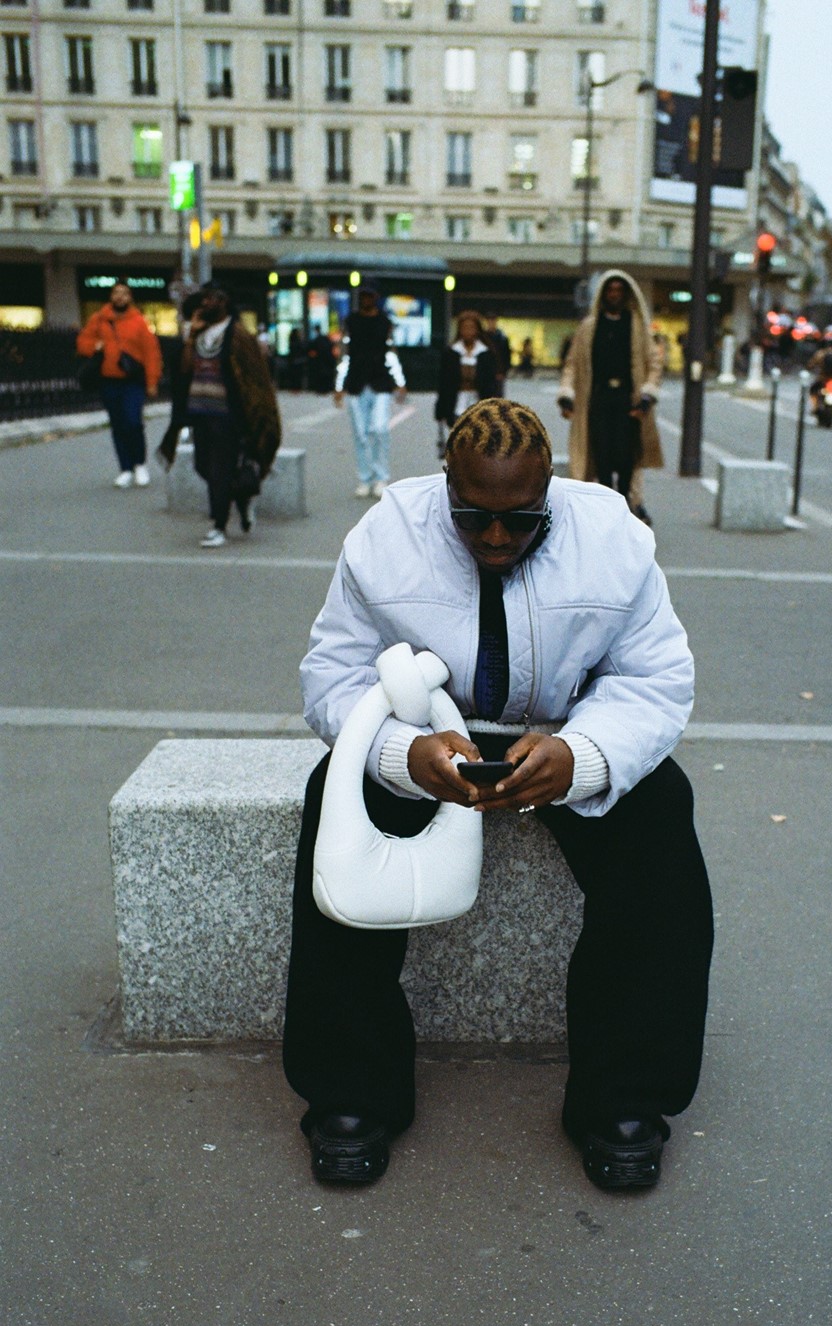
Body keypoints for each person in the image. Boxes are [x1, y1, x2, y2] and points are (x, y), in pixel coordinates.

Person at [283, 397, 714, 1193]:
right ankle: (351, 1093)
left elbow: (656, 681)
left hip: (566, 732)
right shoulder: (385, 537)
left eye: (520, 522)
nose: (493, 538)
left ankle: (624, 1100)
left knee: (660, 826)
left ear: (551, 487)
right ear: (445, 482)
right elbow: (331, 675)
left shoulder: (614, 540)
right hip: (426, 734)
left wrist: (582, 756)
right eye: (472, 516)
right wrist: (398, 755)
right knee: (331, 805)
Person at [157, 281, 281, 548]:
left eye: (209, 299)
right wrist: (191, 336)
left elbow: (254, 381)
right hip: (199, 413)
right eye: (202, 299)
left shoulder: (238, 336)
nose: (203, 304)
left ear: (223, 301)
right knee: (203, 465)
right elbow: (185, 369)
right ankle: (242, 498)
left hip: (228, 417)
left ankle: (218, 526)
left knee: (219, 469)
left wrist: (256, 419)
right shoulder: (199, 334)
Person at [557, 271, 663, 526]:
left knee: (627, 457)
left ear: (626, 294)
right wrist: (567, 394)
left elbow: (654, 363)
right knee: (601, 454)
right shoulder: (589, 327)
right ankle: (604, 504)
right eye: (610, 290)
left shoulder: (637, 326)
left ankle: (628, 504)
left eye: (619, 290)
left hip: (629, 400)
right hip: (598, 399)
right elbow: (572, 364)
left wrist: (647, 394)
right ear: (604, 294)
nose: (614, 294)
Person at [76, 281, 162, 488]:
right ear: (111, 296)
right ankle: (125, 469)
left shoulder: (139, 322)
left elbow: (152, 354)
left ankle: (139, 464)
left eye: (124, 294)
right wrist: (95, 346)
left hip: (132, 381)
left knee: (133, 422)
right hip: (109, 380)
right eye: (117, 293)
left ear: (130, 298)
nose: (120, 297)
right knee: (118, 424)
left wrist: (152, 381)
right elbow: (82, 343)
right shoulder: (99, 319)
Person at [333, 282, 407, 499]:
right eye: (363, 296)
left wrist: (399, 381)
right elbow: (344, 353)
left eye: (370, 296)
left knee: (380, 428)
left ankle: (381, 477)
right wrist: (339, 385)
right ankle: (365, 479)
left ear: (376, 297)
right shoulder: (351, 321)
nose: (366, 299)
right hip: (356, 382)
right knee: (360, 433)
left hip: (381, 381)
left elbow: (392, 352)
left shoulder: (385, 322)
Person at [435, 311, 499, 443]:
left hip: (479, 401)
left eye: (471, 327)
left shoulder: (485, 353)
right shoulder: (451, 353)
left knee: (478, 438)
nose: (468, 331)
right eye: (464, 327)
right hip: (456, 402)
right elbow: (443, 382)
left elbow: (491, 383)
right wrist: (440, 411)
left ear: (477, 330)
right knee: (459, 439)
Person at [483, 313, 512, 397]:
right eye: (489, 321)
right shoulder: (483, 337)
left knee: (498, 396)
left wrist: (503, 371)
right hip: (485, 371)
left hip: (498, 372)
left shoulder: (502, 338)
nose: (491, 323)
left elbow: (506, 356)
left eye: (493, 321)